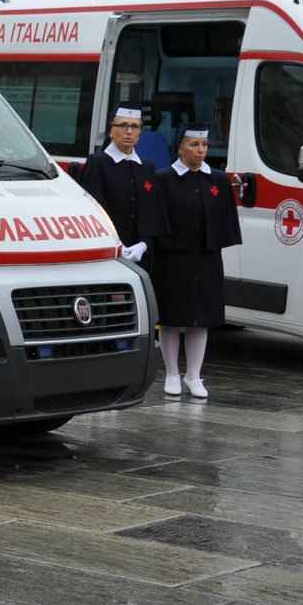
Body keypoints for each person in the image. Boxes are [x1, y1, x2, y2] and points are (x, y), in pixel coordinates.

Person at [149, 123, 241, 399]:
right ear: (180, 147)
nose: (200, 151)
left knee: (201, 318)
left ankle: (194, 375)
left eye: (204, 146)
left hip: (206, 257)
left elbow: (225, 219)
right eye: (193, 145)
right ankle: (172, 374)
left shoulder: (219, 180)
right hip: (172, 257)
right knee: (171, 317)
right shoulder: (163, 179)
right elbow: (157, 219)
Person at [80, 105, 169, 267]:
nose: (129, 131)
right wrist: (116, 244)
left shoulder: (146, 167)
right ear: (111, 131)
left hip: (140, 255)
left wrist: (144, 244)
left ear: (140, 132)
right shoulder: (98, 163)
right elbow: (93, 210)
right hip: (107, 253)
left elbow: (153, 212)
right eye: (122, 125)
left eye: (135, 126)